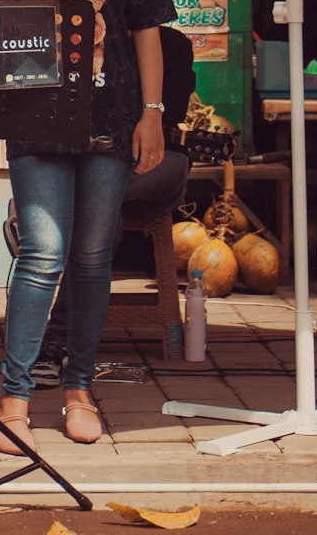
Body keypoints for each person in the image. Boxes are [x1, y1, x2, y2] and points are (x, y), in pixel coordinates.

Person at [0, 0, 176, 454]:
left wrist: (152, 111)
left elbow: (148, 29)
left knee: (94, 258)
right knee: (42, 251)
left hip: (111, 113)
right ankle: (14, 397)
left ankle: (77, 388)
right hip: (33, 115)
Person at [27, 24, 194, 386]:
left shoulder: (172, 46)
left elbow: (168, 119)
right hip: (95, 172)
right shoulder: (80, 40)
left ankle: (55, 340)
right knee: (102, 221)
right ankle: (59, 342)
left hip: (152, 168)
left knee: (124, 187)